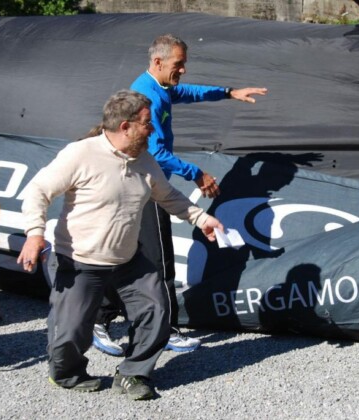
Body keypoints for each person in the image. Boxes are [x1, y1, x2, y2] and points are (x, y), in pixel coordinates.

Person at [17, 89, 223, 399]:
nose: (151, 129)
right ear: (125, 126)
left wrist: (201, 218)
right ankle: (66, 374)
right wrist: (35, 234)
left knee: (156, 309)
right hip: (80, 259)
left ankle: (133, 373)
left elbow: (168, 196)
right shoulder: (81, 154)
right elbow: (38, 191)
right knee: (70, 332)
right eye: (146, 123)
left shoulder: (145, 160)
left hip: (129, 260)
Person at [92, 34, 267, 355]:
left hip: (139, 186)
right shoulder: (147, 97)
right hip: (145, 189)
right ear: (158, 62)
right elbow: (156, 151)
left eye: (184, 63)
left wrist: (228, 92)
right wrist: (196, 173)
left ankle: (99, 316)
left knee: (129, 257)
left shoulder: (158, 87)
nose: (183, 70)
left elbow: (187, 92)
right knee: (160, 262)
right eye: (179, 64)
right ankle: (164, 330)